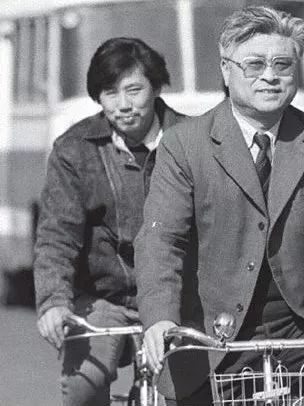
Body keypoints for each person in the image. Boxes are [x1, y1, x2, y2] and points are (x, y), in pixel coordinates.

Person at [135, 6, 304, 406]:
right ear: (226, 69)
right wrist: (161, 319)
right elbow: (162, 241)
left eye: (282, 64)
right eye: (254, 64)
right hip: (214, 336)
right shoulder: (184, 145)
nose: (269, 76)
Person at [33, 37, 185, 405]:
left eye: (134, 90)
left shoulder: (192, 139)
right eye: (110, 93)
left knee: (196, 390)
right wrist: (54, 301)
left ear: (156, 87)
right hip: (104, 298)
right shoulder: (74, 148)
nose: (123, 105)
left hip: (180, 298)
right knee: (83, 386)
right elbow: (57, 234)